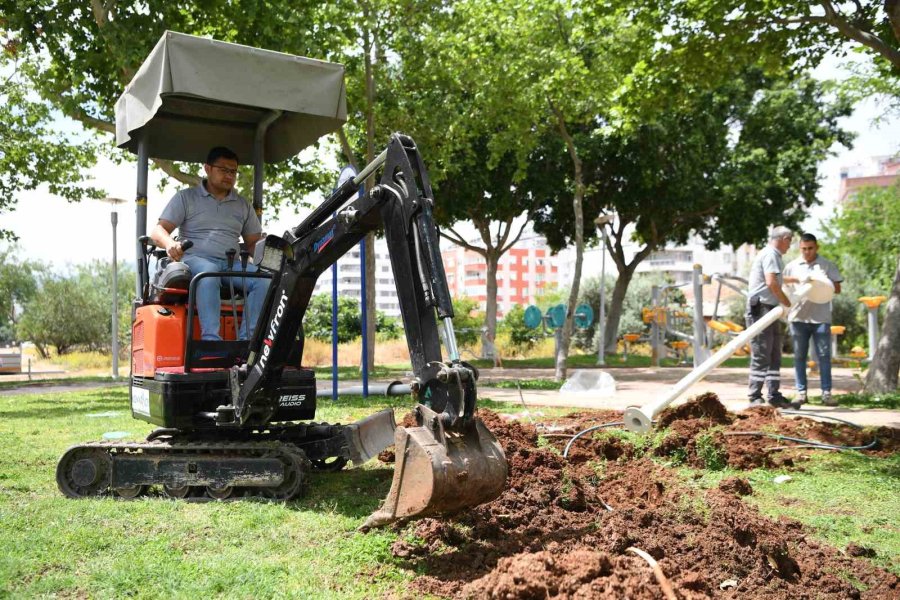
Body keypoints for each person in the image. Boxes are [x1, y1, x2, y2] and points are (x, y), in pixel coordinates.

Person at [150, 146, 268, 341]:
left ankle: (248, 343)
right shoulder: (186, 198)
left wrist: (272, 255)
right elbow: (157, 231)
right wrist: (170, 243)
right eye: (223, 170)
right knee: (209, 271)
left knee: (265, 281)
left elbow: (253, 243)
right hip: (195, 260)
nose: (229, 175)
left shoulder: (243, 205)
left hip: (232, 265)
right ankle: (211, 341)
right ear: (207, 168)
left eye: (233, 171)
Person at [783, 233, 843, 406]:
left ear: (817, 247)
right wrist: (798, 280)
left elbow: (837, 289)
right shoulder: (792, 266)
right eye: (804, 249)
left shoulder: (827, 265)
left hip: (821, 318)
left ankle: (826, 394)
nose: (807, 252)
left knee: (824, 357)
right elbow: (781, 281)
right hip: (797, 318)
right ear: (799, 248)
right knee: (799, 357)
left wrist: (821, 282)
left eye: (810, 248)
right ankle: (801, 394)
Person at [746, 226, 794, 408]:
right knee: (762, 353)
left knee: (774, 354)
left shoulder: (773, 256)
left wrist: (795, 280)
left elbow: (776, 281)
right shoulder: (771, 254)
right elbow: (771, 282)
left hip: (770, 308)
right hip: (762, 309)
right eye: (790, 241)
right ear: (784, 238)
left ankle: (774, 394)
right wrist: (786, 302)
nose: (790, 246)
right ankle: (754, 396)